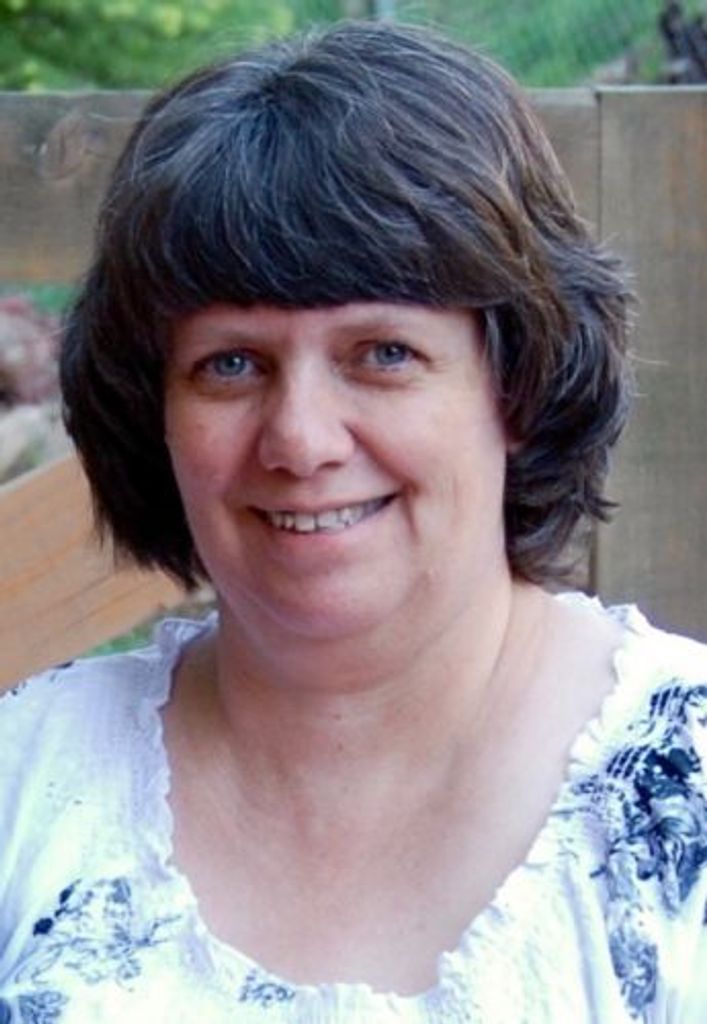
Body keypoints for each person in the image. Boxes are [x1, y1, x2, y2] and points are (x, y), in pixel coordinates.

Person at [1, 19, 705, 1023]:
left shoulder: (686, 785)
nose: (300, 438)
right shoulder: (25, 784)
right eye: (230, 364)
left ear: (515, 383)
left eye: (381, 354)